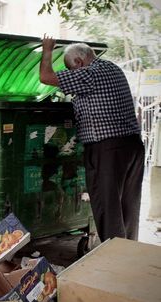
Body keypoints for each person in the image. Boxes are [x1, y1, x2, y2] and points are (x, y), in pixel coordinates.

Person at [39, 35, 145, 242]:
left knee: (108, 208)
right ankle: (128, 256)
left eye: (71, 70)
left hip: (108, 149)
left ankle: (114, 260)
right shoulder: (112, 68)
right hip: (131, 147)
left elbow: (45, 77)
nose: (72, 75)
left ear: (79, 62)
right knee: (128, 209)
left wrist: (47, 50)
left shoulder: (89, 73)